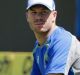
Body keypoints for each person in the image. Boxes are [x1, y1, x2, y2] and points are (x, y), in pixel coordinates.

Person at [25, 0, 80, 75]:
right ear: (27, 16)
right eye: (34, 12)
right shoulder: (38, 45)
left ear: (54, 15)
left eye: (44, 12)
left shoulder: (62, 40)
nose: (38, 17)